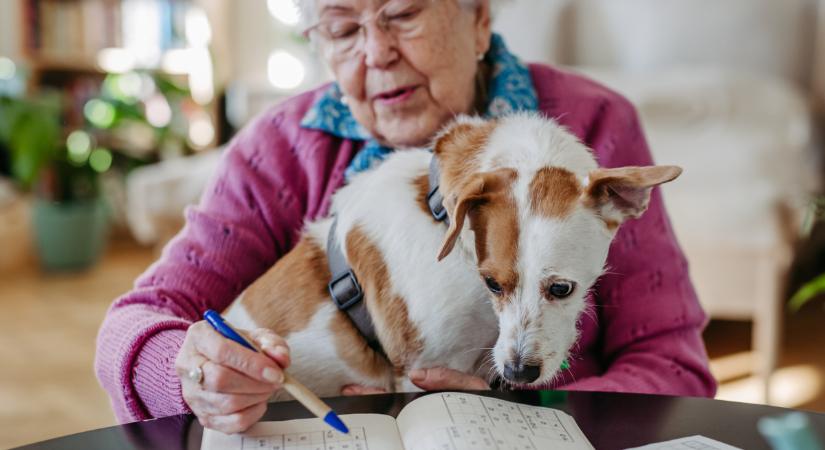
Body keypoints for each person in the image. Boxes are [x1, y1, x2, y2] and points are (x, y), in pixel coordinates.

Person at [95, 0, 717, 434]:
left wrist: (525, 410)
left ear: (478, 20)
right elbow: (134, 322)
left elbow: (675, 369)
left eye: (402, 14)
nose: (376, 52)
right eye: (342, 29)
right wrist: (192, 373)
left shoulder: (600, 130)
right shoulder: (279, 149)